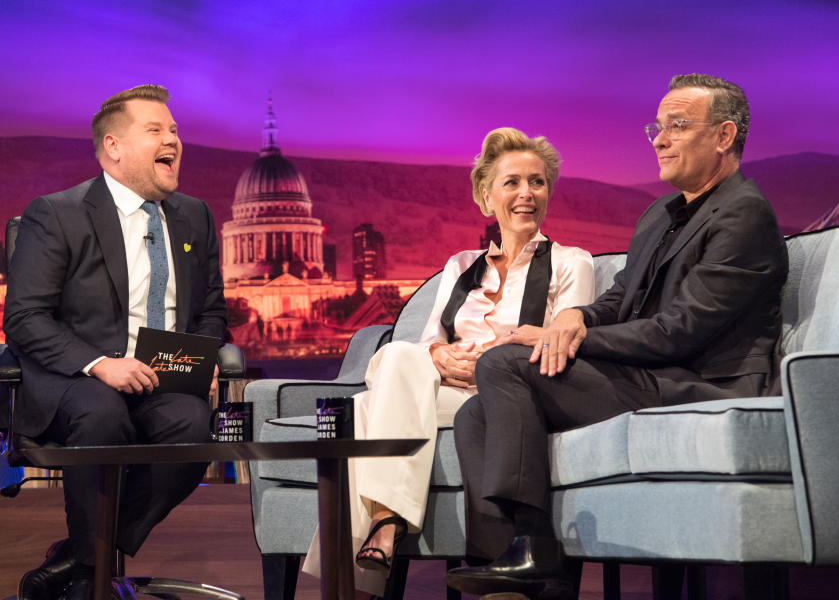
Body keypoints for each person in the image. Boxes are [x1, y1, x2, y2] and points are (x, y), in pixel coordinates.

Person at [446, 74, 789, 599]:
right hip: (650, 377)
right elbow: (621, 298)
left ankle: (535, 551)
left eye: (677, 126)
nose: (659, 138)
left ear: (724, 136)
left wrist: (566, 340)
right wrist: (575, 318)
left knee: (504, 363)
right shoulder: (660, 213)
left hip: (701, 385)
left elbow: (679, 334)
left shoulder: (743, 214)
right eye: (658, 126)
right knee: (476, 411)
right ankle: (513, 577)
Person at [301, 127, 595, 596]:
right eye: (512, 182)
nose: (526, 194)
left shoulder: (570, 263)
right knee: (398, 356)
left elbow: (563, 343)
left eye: (537, 182)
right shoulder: (460, 266)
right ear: (487, 195)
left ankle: (377, 538)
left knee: (363, 413)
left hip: (506, 400)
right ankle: (382, 527)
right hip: (444, 391)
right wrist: (437, 353)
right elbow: (425, 345)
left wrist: (497, 355)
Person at [5, 84, 227, 600]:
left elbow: (212, 310)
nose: (172, 138)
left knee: (194, 427)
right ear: (114, 146)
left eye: (174, 130)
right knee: (103, 414)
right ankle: (94, 569)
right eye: (155, 130)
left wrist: (204, 356)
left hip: (163, 374)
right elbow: (24, 317)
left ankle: (85, 560)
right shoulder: (58, 213)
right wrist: (100, 363)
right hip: (77, 379)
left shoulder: (195, 216)